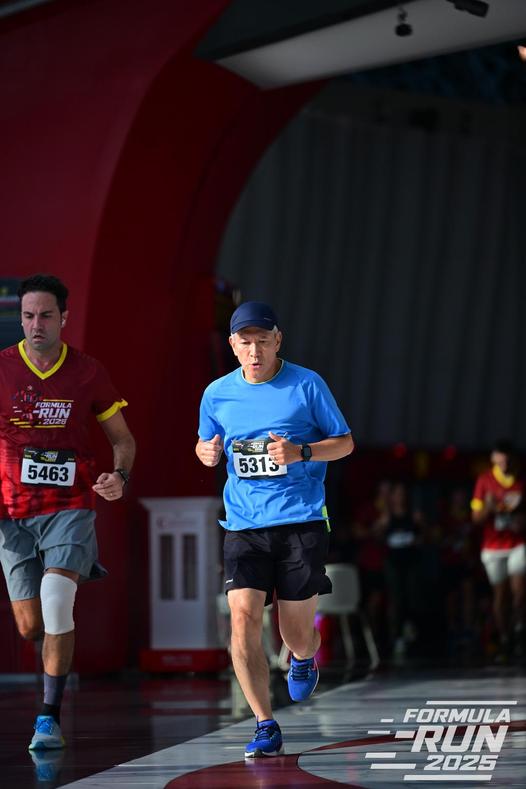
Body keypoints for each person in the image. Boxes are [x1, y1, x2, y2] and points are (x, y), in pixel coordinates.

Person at [195, 301, 353, 758]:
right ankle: (265, 723)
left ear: (278, 341)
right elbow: (206, 443)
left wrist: (302, 452)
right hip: (244, 524)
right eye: (246, 342)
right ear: (232, 345)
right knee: (243, 617)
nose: (255, 351)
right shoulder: (216, 393)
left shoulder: (306, 384)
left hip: (301, 520)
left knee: (295, 634)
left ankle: (303, 657)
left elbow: (345, 443)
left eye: (263, 341)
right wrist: (205, 453)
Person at [0, 274, 135, 751]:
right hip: (12, 512)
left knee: (57, 598)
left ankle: (48, 717)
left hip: (70, 506)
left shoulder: (87, 372)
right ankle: (51, 653)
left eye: (45, 316)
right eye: (28, 316)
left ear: (64, 319)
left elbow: (123, 439)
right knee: (30, 626)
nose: (36, 325)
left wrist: (120, 476)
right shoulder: (2, 368)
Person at [471, 440, 525, 661]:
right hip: (493, 547)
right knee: (501, 595)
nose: (504, 463)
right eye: (500, 459)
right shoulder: (484, 481)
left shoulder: (521, 480)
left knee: (519, 591)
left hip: (518, 543)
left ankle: (519, 631)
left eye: (508, 459)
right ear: (494, 459)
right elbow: (476, 518)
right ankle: (504, 638)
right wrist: (489, 508)